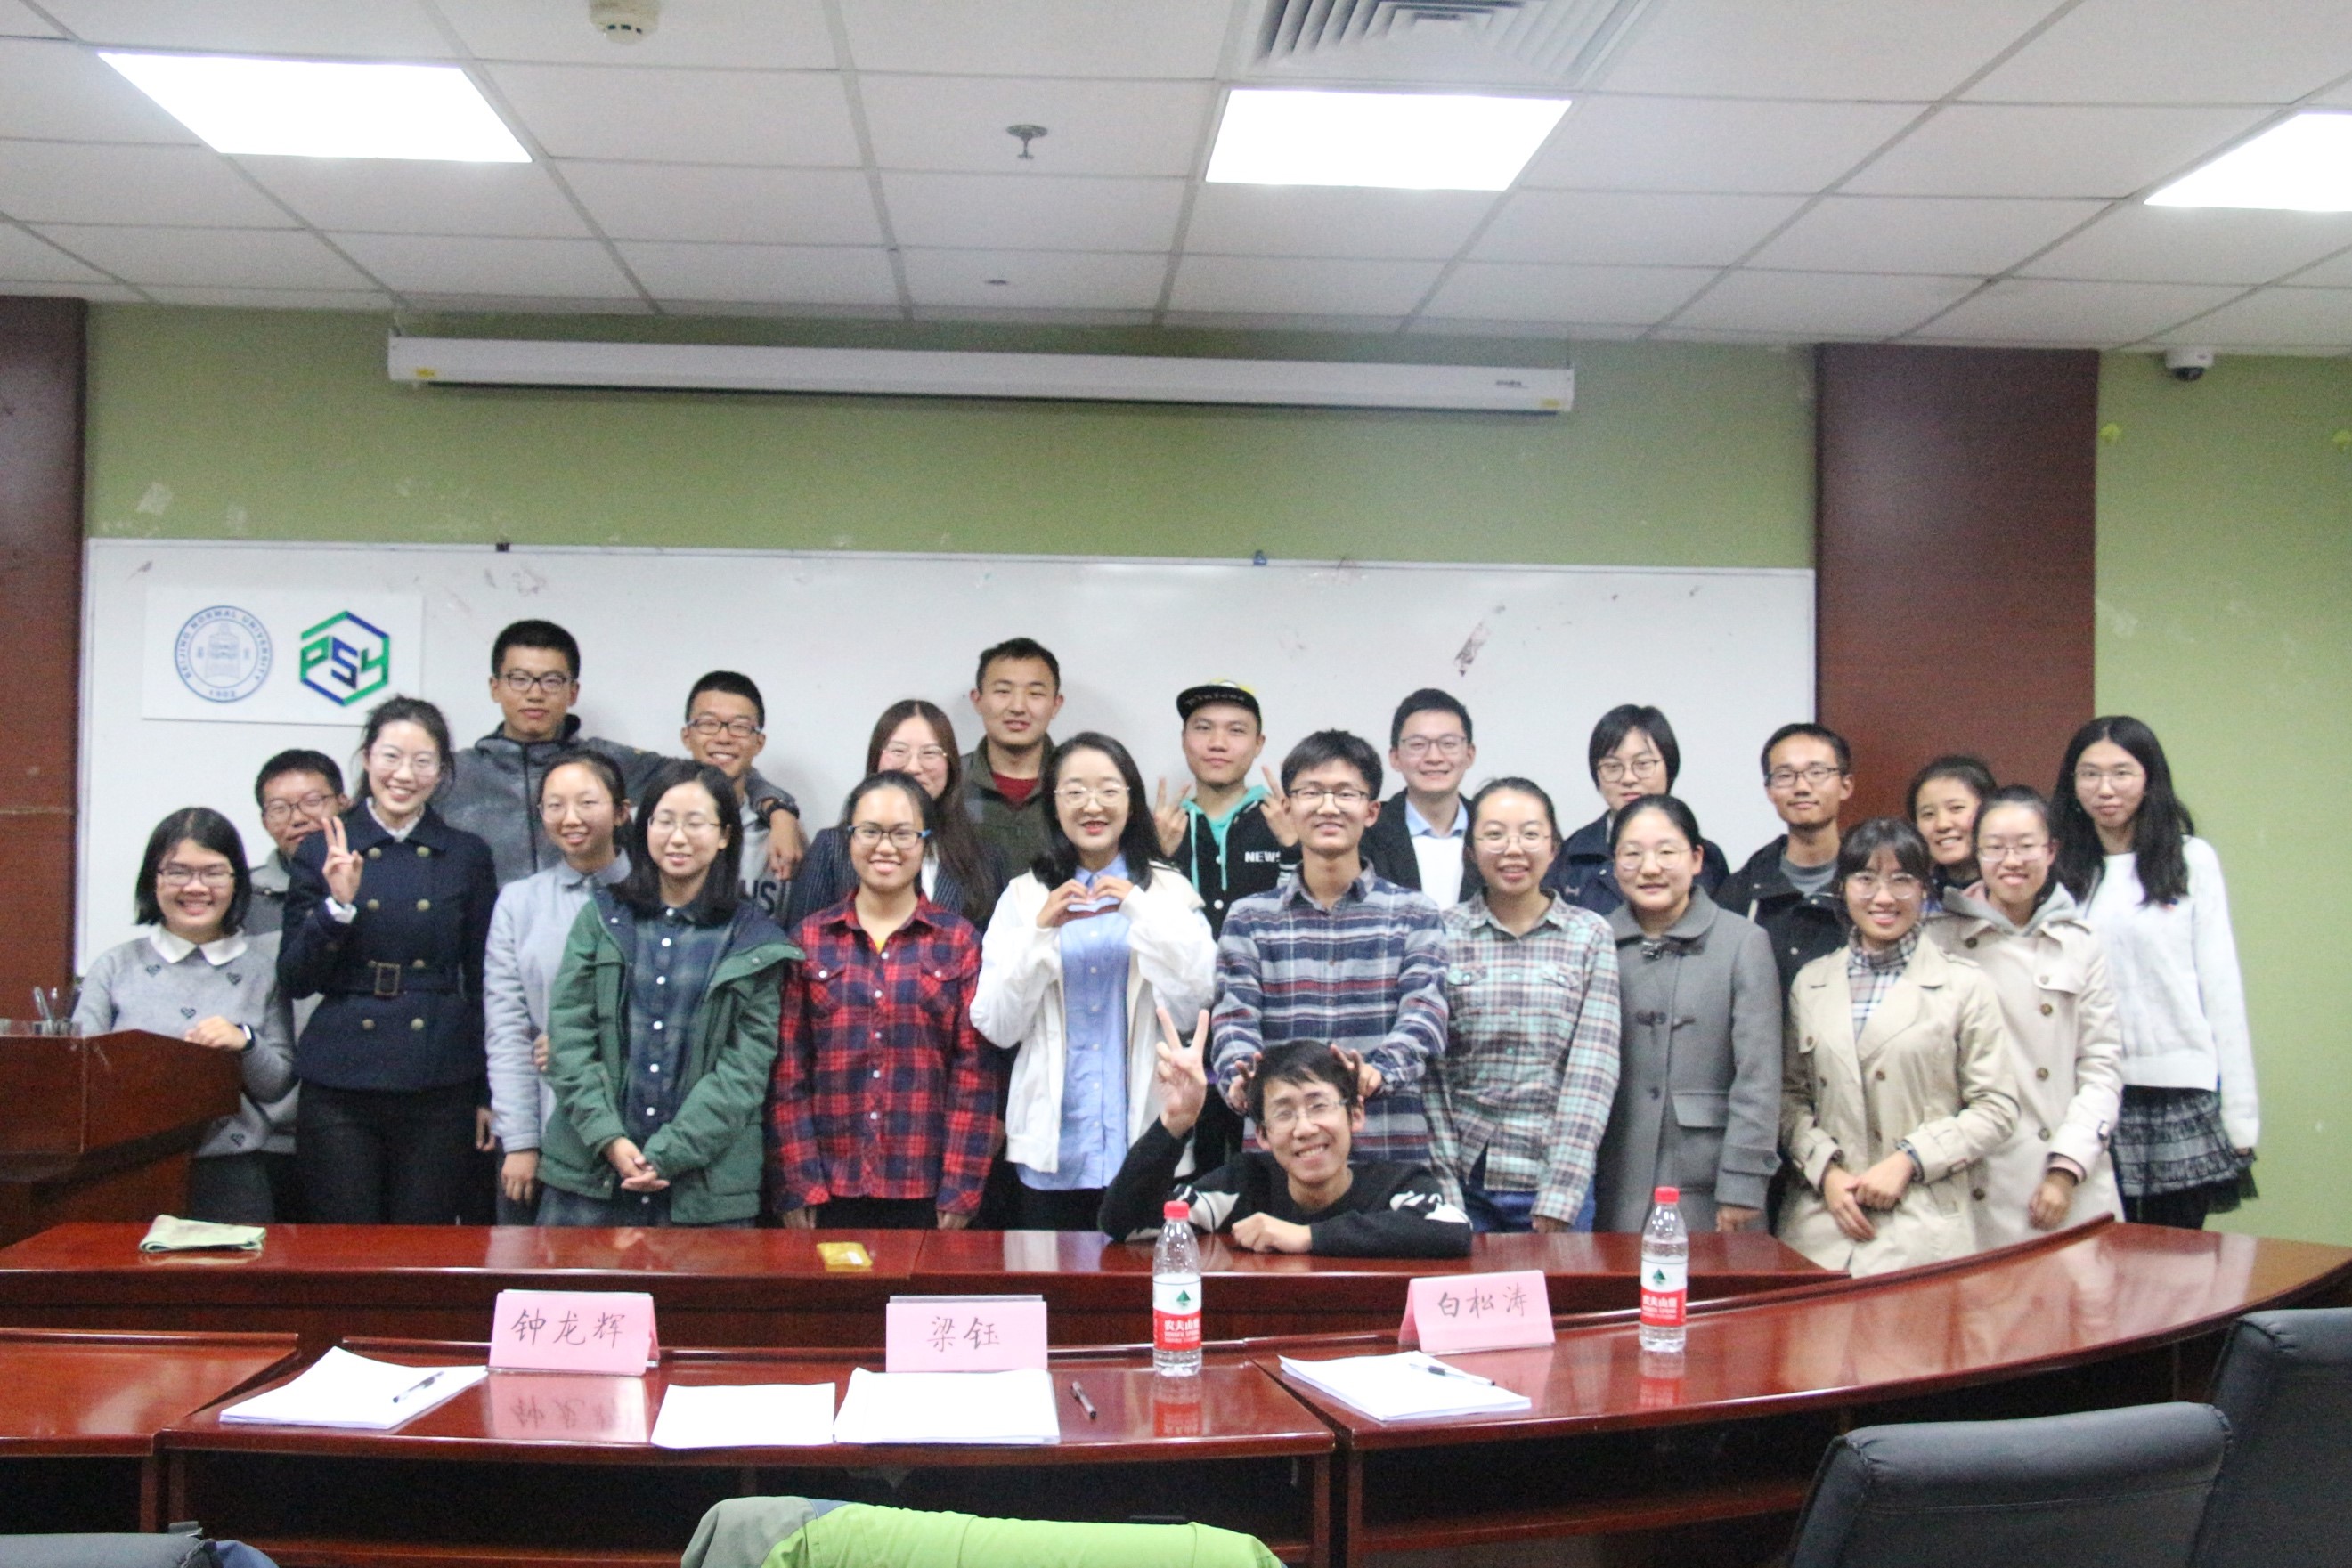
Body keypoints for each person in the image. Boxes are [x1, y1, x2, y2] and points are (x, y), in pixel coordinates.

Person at [973, 733, 1217, 1229]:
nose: (1092, 805)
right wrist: (1040, 933)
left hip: (1148, 1142)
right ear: (1054, 803)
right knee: (1050, 1275)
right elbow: (997, 1025)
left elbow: (1197, 1002)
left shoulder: (1169, 890)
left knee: (1145, 1275)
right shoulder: (1023, 896)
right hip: (1051, 1150)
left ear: (1131, 800)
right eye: (1075, 791)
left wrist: (1140, 910)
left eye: (1108, 790)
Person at [537, 759, 796, 1228]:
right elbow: (569, 1039)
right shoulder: (602, 917)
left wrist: (670, 1154)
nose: (677, 837)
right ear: (644, 828)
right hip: (589, 1174)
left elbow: (745, 1071)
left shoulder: (755, 940)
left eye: (695, 823)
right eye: (664, 821)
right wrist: (609, 1139)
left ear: (724, 835)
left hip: (704, 1191)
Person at [276, 695, 501, 1224]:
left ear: (441, 771)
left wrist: (486, 1092)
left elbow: (484, 981)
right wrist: (337, 906)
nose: (404, 775)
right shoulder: (323, 849)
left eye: (423, 761)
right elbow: (295, 978)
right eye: (391, 757)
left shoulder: (466, 854)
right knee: (343, 1244)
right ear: (367, 758)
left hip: (439, 1076)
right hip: (342, 1078)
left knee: (422, 1242)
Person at [1777, 817, 2020, 1276]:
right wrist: (1826, 1171)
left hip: (1923, 1223)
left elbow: (1997, 1108)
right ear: (1842, 888)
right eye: (1865, 879)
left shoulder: (1963, 985)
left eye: (1902, 879)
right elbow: (1789, 1098)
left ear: (1925, 888)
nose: (1883, 897)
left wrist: (1911, 1159)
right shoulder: (1812, 982)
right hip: (1821, 1225)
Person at [2054, 716, 2256, 1231]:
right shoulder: (2059, 871)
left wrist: (2241, 1113)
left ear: (2150, 780)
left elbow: (2221, 987)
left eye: (2121, 773)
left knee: (2177, 1262)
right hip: (2089, 1089)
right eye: (2089, 774)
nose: (2105, 789)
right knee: (2097, 1257)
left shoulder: (2190, 859)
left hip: (2179, 1089)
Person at [770, 772, 997, 1230]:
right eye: (870, 831)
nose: (885, 847)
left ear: (926, 843)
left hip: (926, 1187)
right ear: (849, 840)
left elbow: (973, 1074)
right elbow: (788, 1073)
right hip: (829, 1186)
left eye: (903, 833)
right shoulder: (809, 940)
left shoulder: (959, 942)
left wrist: (961, 1187)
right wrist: (798, 1182)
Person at [1211, 730, 1447, 1163]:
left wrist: (1377, 1073)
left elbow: (1425, 1016)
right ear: (1287, 808)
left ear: (1371, 811)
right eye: (1311, 792)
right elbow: (1233, 1020)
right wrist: (1243, 1078)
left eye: (1345, 793)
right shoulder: (1250, 919)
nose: (1328, 807)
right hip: (1283, 1156)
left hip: (1386, 1148)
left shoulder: (1414, 914)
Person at [442, 619, 802, 888]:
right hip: (482, 950)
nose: (535, 694)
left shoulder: (610, 763)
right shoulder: (455, 774)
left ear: (573, 692)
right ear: (495, 687)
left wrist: (779, 810)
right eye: (519, 679)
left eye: (552, 681)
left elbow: (714, 769)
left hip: (597, 945)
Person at [74, 808, 298, 1223]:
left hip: (231, 1174)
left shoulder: (263, 971)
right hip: (125, 1169)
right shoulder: (115, 966)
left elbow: (277, 1086)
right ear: (153, 880)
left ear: (237, 881)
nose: (196, 887)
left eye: (213, 873)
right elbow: (81, 1075)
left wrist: (246, 1042)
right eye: (178, 872)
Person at [1925, 786, 2124, 1246]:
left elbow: (2101, 1066)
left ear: (2051, 851)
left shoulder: (2080, 942)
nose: (2011, 861)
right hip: (1974, 1177)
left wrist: (2065, 1169)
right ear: (1977, 854)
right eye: (1995, 847)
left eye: (2026, 846)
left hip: (2062, 1178)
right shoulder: (1937, 939)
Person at [1101, 1013, 1471, 1258]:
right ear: (1262, 1134)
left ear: (1355, 1114)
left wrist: (1307, 1237)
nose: (1305, 1128)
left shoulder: (1396, 1183)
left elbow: (1451, 1229)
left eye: (1319, 1106)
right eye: (1284, 1113)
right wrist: (1174, 1122)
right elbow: (1127, 1226)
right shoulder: (1242, 1184)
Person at [1428, 778, 1620, 1233]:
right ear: (1471, 851)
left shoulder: (1589, 935)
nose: (1513, 849)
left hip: (1553, 1180)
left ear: (1554, 848)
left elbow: (1592, 1072)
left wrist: (1561, 1194)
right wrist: (1445, 1190)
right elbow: (1430, 1073)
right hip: (1464, 1179)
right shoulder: (1440, 933)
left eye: (1530, 834)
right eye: (1494, 834)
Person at [1592, 794, 1781, 1236]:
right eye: (1632, 854)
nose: (1650, 868)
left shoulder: (1743, 942)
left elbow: (1759, 1075)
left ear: (1696, 859)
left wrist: (1743, 1183)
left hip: (1707, 1178)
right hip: (1612, 1172)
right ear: (1614, 865)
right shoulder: (1593, 940)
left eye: (1666, 851)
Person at [1152, 679, 1297, 1170]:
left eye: (1236, 731)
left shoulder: (1280, 820)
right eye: (1203, 728)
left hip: (1269, 1024)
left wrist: (1293, 848)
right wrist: (1154, 857)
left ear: (1258, 744)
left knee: (1269, 1163)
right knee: (1187, 1168)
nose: (1218, 743)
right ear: (1184, 740)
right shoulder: (1162, 826)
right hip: (1181, 1031)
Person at [482, 750, 631, 1224]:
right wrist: (520, 1140)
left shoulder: (652, 896)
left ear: (621, 811)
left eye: (587, 802)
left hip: (636, 1127)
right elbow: (508, 1031)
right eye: (554, 805)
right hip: (547, 1124)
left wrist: (574, 1045)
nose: (570, 818)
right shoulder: (519, 902)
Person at [783, 699, 1004, 931]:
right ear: (876, 758)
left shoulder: (985, 859)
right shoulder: (832, 847)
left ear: (951, 764)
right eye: (898, 751)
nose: (913, 767)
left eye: (930, 752)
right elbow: (800, 941)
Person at [1544, 704, 1729, 914]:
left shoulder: (1708, 858)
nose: (1628, 778)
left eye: (1643, 764)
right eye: (1613, 767)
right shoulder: (1570, 856)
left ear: (1669, 767)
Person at [1719, 722, 1857, 988]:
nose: (1802, 786)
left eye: (1817, 772)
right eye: (1785, 775)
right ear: (1769, 790)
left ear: (1846, 785)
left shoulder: (1870, 885)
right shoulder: (1740, 892)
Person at [677, 670, 793, 916]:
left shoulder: (781, 834)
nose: (723, 737)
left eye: (740, 727)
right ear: (687, 737)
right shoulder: (657, 825)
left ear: (759, 742)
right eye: (708, 724)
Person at [1361, 688, 1478, 905]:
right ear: (1395, 757)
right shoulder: (1365, 833)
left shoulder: (1494, 830)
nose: (1434, 757)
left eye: (1448, 744)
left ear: (1470, 755)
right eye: (1418, 745)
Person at [964, 637, 1066, 873]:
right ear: (977, 700)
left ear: (1056, 705)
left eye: (1035, 693)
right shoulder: (949, 784)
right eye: (1003, 691)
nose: (1018, 707)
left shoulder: (1079, 785)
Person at [246, 749, 346, 937]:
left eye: (312, 801)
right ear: (265, 822)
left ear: (344, 805)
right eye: (279, 808)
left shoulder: (377, 878)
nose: (298, 819)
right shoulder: (243, 894)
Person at [1909, 754, 1997, 906]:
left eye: (1956, 808)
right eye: (1928, 814)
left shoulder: (2021, 896)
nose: (1942, 825)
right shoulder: (1913, 903)